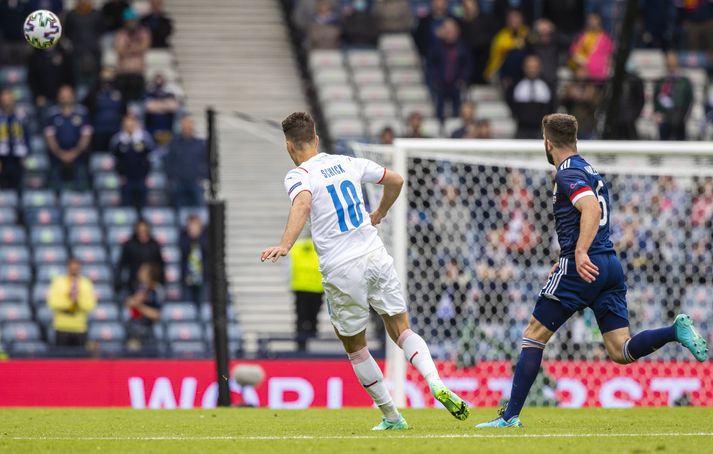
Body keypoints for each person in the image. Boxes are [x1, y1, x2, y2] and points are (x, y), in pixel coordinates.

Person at [476, 113, 708, 429]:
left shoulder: (566, 172)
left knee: (533, 334)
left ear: (547, 142)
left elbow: (590, 208)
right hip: (609, 265)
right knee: (620, 350)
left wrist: (578, 252)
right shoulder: (589, 169)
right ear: (575, 139)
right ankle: (674, 331)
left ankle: (509, 416)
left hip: (582, 265)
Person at [261, 112, 470, 430]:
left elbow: (302, 204)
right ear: (316, 140)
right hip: (375, 255)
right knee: (402, 330)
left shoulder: (298, 174)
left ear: (290, 146)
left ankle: (392, 417)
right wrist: (380, 212)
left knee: (355, 347)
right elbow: (396, 179)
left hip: (342, 267)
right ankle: (436, 382)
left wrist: (285, 245)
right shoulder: (346, 161)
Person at [44, 85, 93, 191]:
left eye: (68, 96)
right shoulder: (51, 114)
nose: (65, 98)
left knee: (81, 189)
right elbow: (49, 137)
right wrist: (60, 153)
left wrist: (74, 153)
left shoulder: (82, 113)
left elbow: (86, 136)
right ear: (58, 97)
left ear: (73, 96)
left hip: (79, 157)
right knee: (55, 190)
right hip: (56, 158)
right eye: (63, 96)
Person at [426, 19, 472, 122]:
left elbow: (467, 66)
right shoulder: (436, 47)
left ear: (457, 31)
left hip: (457, 85)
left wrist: (462, 79)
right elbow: (431, 65)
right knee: (439, 112)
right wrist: (435, 79)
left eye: (452, 30)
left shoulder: (463, 47)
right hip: (440, 84)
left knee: (458, 113)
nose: (449, 33)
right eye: (447, 30)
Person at [47, 257, 97, 347]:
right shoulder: (58, 282)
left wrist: (78, 299)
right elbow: (52, 303)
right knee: (61, 358)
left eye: (76, 268)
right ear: (67, 268)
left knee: (80, 359)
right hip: (61, 327)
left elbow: (90, 305)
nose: (74, 271)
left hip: (80, 328)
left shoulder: (86, 283)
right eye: (72, 268)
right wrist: (69, 300)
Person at [110, 113, 155, 209]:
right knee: (126, 208)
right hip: (125, 180)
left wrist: (147, 175)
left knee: (143, 207)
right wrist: (120, 175)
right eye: (127, 123)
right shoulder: (117, 140)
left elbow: (150, 158)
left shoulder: (145, 138)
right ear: (123, 124)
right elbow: (115, 160)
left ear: (136, 123)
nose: (130, 125)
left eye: (132, 122)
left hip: (142, 179)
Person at [289, 236, 324, 351]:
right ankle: (310, 334)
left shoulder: (296, 248)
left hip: (301, 288)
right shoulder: (322, 248)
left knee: (301, 316)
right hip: (316, 289)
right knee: (312, 316)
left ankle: (301, 342)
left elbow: (288, 268)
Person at [506, 55, 554, 139]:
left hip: (541, 129)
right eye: (529, 67)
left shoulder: (547, 85)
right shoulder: (516, 85)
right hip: (521, 129)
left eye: (534, 67)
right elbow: (510, 102)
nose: (532, 70)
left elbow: (552, 104)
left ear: (540, 67)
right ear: (524, 67)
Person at [164, 116, 208, 207]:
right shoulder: (174, 143)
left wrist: (202, 176)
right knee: (178, 210)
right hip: (178, 183)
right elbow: (168, 161)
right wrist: (171, 177)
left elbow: (206, 161)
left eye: (189, 123)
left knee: (198, 209)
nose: (187, 126)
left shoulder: (200, 144)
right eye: (184, 124)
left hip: (195, 182)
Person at [83, 66, 126, 151]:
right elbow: (86, 105)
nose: (108, 75)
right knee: (98, 157)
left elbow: (124, 108)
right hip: (98, 131)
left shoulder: (119, 90)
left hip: (116, 130)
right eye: (105, 72)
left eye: (110, 72)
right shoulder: (94, 90)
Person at [116, 220, 165, 294]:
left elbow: (160, 265)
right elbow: (122, 264)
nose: (142, 232)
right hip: (134, 283)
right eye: (140, 230)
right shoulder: (129, 245)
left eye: (144, 230)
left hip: (152, 284)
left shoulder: (154, 245)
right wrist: (119, 282)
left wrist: (160, 282)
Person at [653, 53, 693, 141]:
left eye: (673, 65)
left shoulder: (684, 81)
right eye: (669, 65)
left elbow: (689, 100)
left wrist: (684, 116)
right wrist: (657, 113)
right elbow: (655, 99)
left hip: (679, 118)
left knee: (680, 146)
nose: (671, 68)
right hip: (664, 118)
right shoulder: (661, 81)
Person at [64, 0, 104, 88]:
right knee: (79, 83)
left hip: (94, 53)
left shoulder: (97, 14)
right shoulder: (71, 14)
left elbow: (100, 30)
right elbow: (67, 32)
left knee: (94, 83)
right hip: (77, 53)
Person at [114, 8, 151, 101]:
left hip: (138, 73)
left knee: (138, 101)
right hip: (124, 73)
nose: (131, 23)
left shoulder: (143, 32)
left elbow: (144, 47)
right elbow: (119, 50)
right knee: (123, 102)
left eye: (133, 21)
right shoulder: (121, 33)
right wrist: (136, 47)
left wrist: (128, 47)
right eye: (129, 21)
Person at [125, 262, 163, 351]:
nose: (139, 272)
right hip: (134, 329)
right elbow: (129, 303)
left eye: (143, 271)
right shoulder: (139, 287)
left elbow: (157, 315)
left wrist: (140, 306)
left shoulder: (157, 290)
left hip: (149, 332)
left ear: (150, 274)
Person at [457, 0, 497, 85]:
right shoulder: (461, 22)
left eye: (470, 3)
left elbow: (492, 35)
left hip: (483, 53)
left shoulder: (486, 18)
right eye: (465, 4)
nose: (468, 6)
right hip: (468, 53)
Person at [484, 9, 529, 82]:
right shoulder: (501, 35)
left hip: (521, 69)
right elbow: (502, 47)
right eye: (512, 20)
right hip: (499, 68)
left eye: (517, 19)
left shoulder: (526, 32)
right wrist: (515, 44)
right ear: (507, 21)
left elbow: (532, 40)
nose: (515, 22)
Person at [27, 43, 75, 108]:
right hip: (44, 97)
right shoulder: (35, 55)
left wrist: (68, 90)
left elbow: (71, 73)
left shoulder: (64, 52)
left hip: (63, 95)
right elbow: (32, 78)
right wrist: (37, 95)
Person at [568, 13, 613, 81]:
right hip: (581, 75)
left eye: (595, 21)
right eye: (590, 20)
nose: (592, 23)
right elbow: (574, 55)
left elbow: (610, 56)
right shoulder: (582, 37)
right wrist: (580, 68)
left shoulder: (606, 39)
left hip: (600, 76)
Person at [0, 89, 30, 190]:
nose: (7, 103)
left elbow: (26, 136)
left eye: (9, 100)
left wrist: (26, 153)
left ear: (13, 100)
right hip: (2, 157)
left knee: (18, 187)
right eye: (5, 100)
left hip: (17, 157)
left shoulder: (21, 116)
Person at [561, 67, 601, 139]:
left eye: (584, 72)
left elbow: (597, 104)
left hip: (587, 127)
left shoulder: (592, 89)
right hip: (572, 128)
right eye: (580, 72)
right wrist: (569, 95)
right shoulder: (570, 88)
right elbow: (562, 101)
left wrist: (585, 97)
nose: (581, 75)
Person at [180, 214, 208, 306]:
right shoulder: (183, 235)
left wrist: (197, 236)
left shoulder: (206, 235)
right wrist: (191, 237)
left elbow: (207, 249)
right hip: (187, 276)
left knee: (204, 304)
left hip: (202, 276)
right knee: (187, 306)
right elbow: (183, 249)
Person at [144, 73, 179, 145]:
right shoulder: (149, 93)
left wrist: (156, 105)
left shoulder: (170, 94)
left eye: (160, 79)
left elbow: (173, 106)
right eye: (157, 79)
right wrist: (165, 105)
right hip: (152, 129)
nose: (159, 81)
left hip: (167, 128)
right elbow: (149, 107)